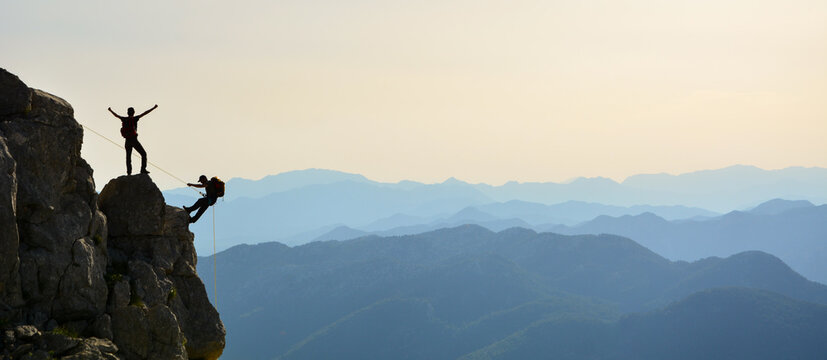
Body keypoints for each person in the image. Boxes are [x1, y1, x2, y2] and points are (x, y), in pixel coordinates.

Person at [108, 104, 158, 175]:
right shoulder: (135, 119)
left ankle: (129, 173)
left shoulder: (124, 119)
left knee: (128, 157)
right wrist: (154, 108)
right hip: (134, 140)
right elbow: (145, 113)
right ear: (133, 112)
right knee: (143, 154)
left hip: (127, 141)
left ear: (127, 113)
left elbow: (116, 115)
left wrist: (110, 110)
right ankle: (143, 169)